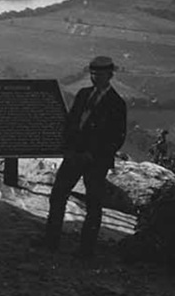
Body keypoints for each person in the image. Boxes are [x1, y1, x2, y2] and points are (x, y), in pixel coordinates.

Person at [34, 55, 128, 258]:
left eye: (101, 75)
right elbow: (70, 123)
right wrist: (68, 149)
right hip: (74, 156)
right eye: (93, 74)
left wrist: (91, 154)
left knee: (93, 204)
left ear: (110, 75)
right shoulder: (83, 94)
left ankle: (86, 250)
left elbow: (116, 137)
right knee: (58, 195)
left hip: (96, 161)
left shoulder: (117, 103)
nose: (96, 78)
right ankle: (51, 241)